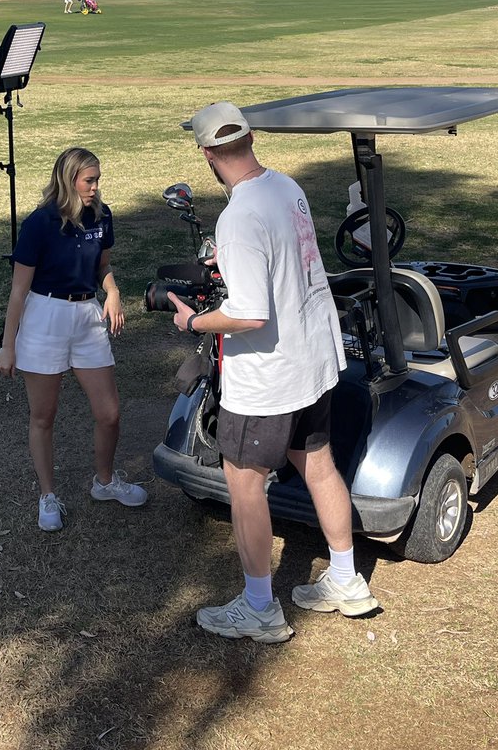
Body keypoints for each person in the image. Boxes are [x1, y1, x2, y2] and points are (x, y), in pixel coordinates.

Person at [167, 101, 377, 643]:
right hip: (313, 360)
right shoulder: (288, 188)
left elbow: (250, 313)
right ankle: (347, 580)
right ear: (250, 137)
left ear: (208, 152)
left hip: (268, 376)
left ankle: (259, 605)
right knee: (319, 463)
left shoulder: (237, 217)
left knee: (244, 484)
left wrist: (194, 322)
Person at [0, 148, 148, 531]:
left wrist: (111, 291)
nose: (95, 188)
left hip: (87, 316)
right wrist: (8, 346)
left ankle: (105, 481)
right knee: (43, 416)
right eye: (88, 180)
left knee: (109, 413)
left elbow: (102, 266)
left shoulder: (102, 216)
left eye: (97, 180)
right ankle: (48, 494)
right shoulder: (39, 224)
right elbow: (18, 292)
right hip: (45, 317)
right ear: (68, 179)